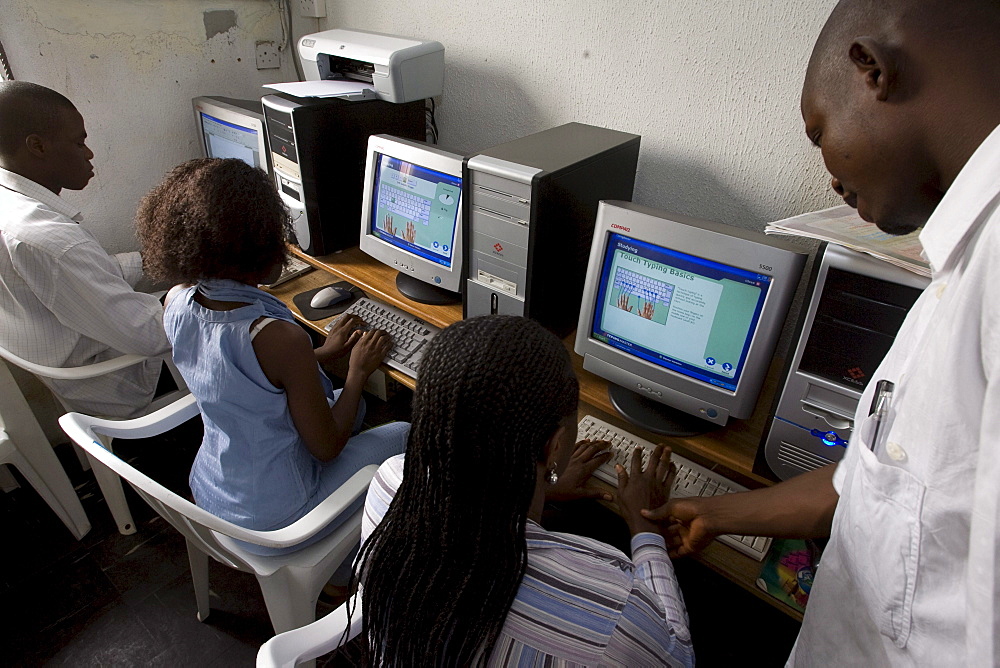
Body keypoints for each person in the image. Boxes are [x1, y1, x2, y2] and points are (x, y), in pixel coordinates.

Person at [644, 0, 1000, 665]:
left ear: (871, 69)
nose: (831, 176)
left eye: (819, 131)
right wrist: (723, 514)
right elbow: (878, 483)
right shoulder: (961, 265)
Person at [355, 315, 694, 667]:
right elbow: (678, 655)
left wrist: (537, 487)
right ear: (555, 446)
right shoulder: (614, 610)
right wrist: (646, 531)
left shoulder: (390, 483)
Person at [134, 157, 408, 555]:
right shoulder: (276, 336)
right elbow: (327, 446)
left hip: (213, 495)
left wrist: (319, 354)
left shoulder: (176, 301)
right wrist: (356, 372)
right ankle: (343, 564)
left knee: (356, 412)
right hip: (277, 523)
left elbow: (238, 375)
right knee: (403, 432)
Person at [0, 81, 170, 417]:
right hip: (122, 381)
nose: (89, 154)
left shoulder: (13, 208)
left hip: (72, 365)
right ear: (37, 146)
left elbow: (92, 275)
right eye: (79, 143)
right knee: (280, 326)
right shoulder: (52, 242)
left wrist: (160, 261)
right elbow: (151, 335)